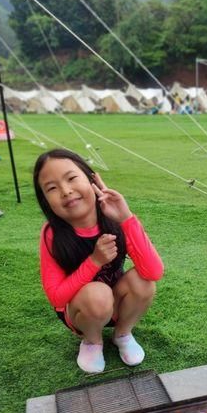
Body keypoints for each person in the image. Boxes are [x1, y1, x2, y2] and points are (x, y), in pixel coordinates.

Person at [34, 148, 164, 373]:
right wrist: (94, 261)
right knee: (97, 293)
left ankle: (122, 333)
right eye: (52, 188)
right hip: (82, 311)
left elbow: (153, 272)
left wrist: (126, 219)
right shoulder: (52, 235)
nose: (66, 191)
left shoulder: (115, 218)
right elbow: (56, 297)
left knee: (143, 282)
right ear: (46, 201)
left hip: (117, 304)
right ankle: (92, 341)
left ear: (92, 179)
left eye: (72, 178)